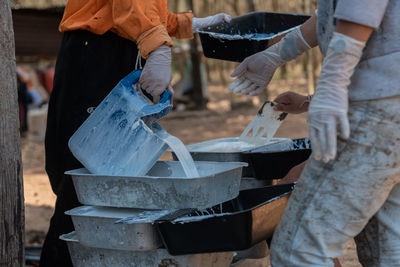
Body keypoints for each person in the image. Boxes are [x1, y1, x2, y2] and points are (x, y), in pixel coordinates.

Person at [40, 1, 230, 266]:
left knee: (110, 168)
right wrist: (158, 46)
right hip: (98, 51)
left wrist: (185, 24)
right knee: (86, 173)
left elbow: (139, 7)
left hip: (114, 48)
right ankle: (65, 259)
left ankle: (97, 255)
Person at [229, 0, 400, 266]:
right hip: (386, 106)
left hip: (377, 108)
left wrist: (333, 82)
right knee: (387, 248)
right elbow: (328, 14)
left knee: (297, 250)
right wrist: (274, 55)